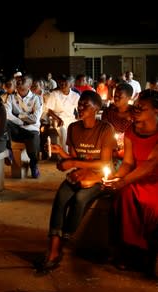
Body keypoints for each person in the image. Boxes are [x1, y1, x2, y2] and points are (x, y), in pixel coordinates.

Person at [37, 90, 116, 273]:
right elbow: (74, 155)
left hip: (99, 176)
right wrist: (63, 156)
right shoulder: (73, 128)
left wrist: (72, 163)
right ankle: (54, 249)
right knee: (61, 197)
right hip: (80, 173)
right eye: (80, 103)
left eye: (85, 105)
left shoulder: (105, 129)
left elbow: (104, 162)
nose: (80, 107)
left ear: (97, 108)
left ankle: (66, 239)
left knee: (80, 198)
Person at [102, 89, 158, 270]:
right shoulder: (131, 129)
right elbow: (128, 162)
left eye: (142, 107)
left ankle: (148, 250)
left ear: (156, 110)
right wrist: (115, 178)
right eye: (136, 106)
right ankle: (132, 248)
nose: (136, 110)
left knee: (151, 201)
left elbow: (151, 164)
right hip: (137, 176)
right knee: (124, 195)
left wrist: (123, 181)